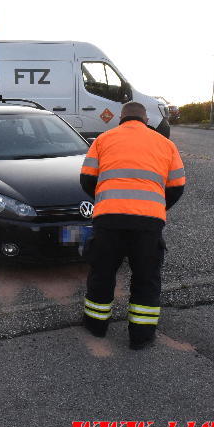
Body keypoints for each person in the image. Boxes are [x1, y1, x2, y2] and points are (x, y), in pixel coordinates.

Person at [80, 101, 185, 349]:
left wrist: (106, 200)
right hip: (149, 223)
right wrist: (157, 206)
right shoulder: (166, 144)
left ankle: (96, 326)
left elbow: (86, 179)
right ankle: (141, 337)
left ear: (121, 120)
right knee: (146, 278)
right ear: (146, 120)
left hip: (109, 220)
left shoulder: (103, 140)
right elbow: (177, 186)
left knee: (102, 273)